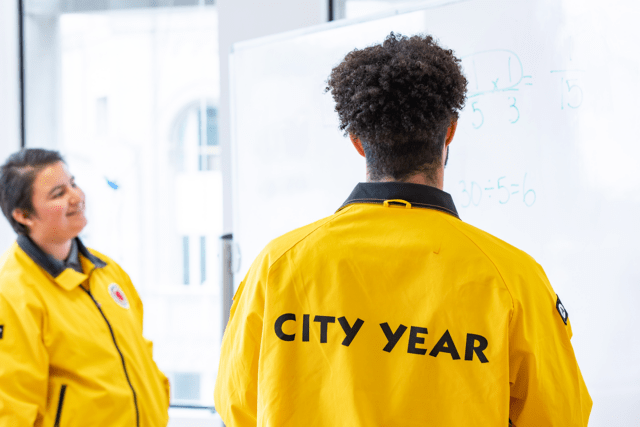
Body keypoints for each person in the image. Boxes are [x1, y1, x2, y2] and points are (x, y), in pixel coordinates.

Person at [214, 33, 592, 426]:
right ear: (449, 132)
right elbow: (560, 416)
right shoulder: (514, 279)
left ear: (358, 141)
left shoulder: (277, 266)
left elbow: (237, 404)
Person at [0, 149, 170, 426]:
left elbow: (140, 355)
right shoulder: (11, 293)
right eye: (58, 194)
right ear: (23, 215)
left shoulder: (108, 271)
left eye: (73, 184)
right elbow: (12, 408)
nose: (77, 197)